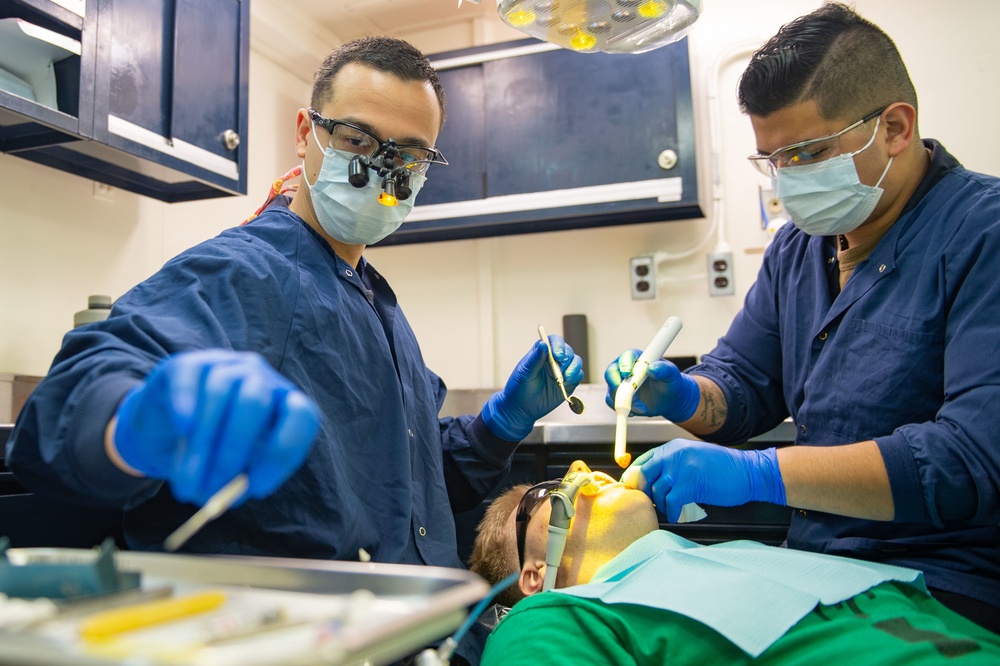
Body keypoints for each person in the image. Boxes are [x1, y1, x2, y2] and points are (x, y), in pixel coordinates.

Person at [4, 36, 583, 567]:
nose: (381, 169)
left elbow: (408, 498)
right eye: (358, 139)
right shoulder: (245, 272)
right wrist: (136, 421)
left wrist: (500, 424)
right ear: (306, 132)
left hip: (413, 625)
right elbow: (62, 410)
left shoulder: (372, 296)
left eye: (408, 155)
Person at [603, 3, 1000, 633]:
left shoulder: (983, 232)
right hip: (817, 569)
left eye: (808, 153)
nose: (788, 180)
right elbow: (742, 388)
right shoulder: (800, 250)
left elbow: (969, 460)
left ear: (895, 127)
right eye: (773, 160)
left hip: (942, 585)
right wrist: (679, 394)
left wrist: (761, 473)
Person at [469, 462, 1000, 664]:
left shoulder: (740, 559)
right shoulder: (553, 619)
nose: (580, 473)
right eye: (547, 491)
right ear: (533, 575)